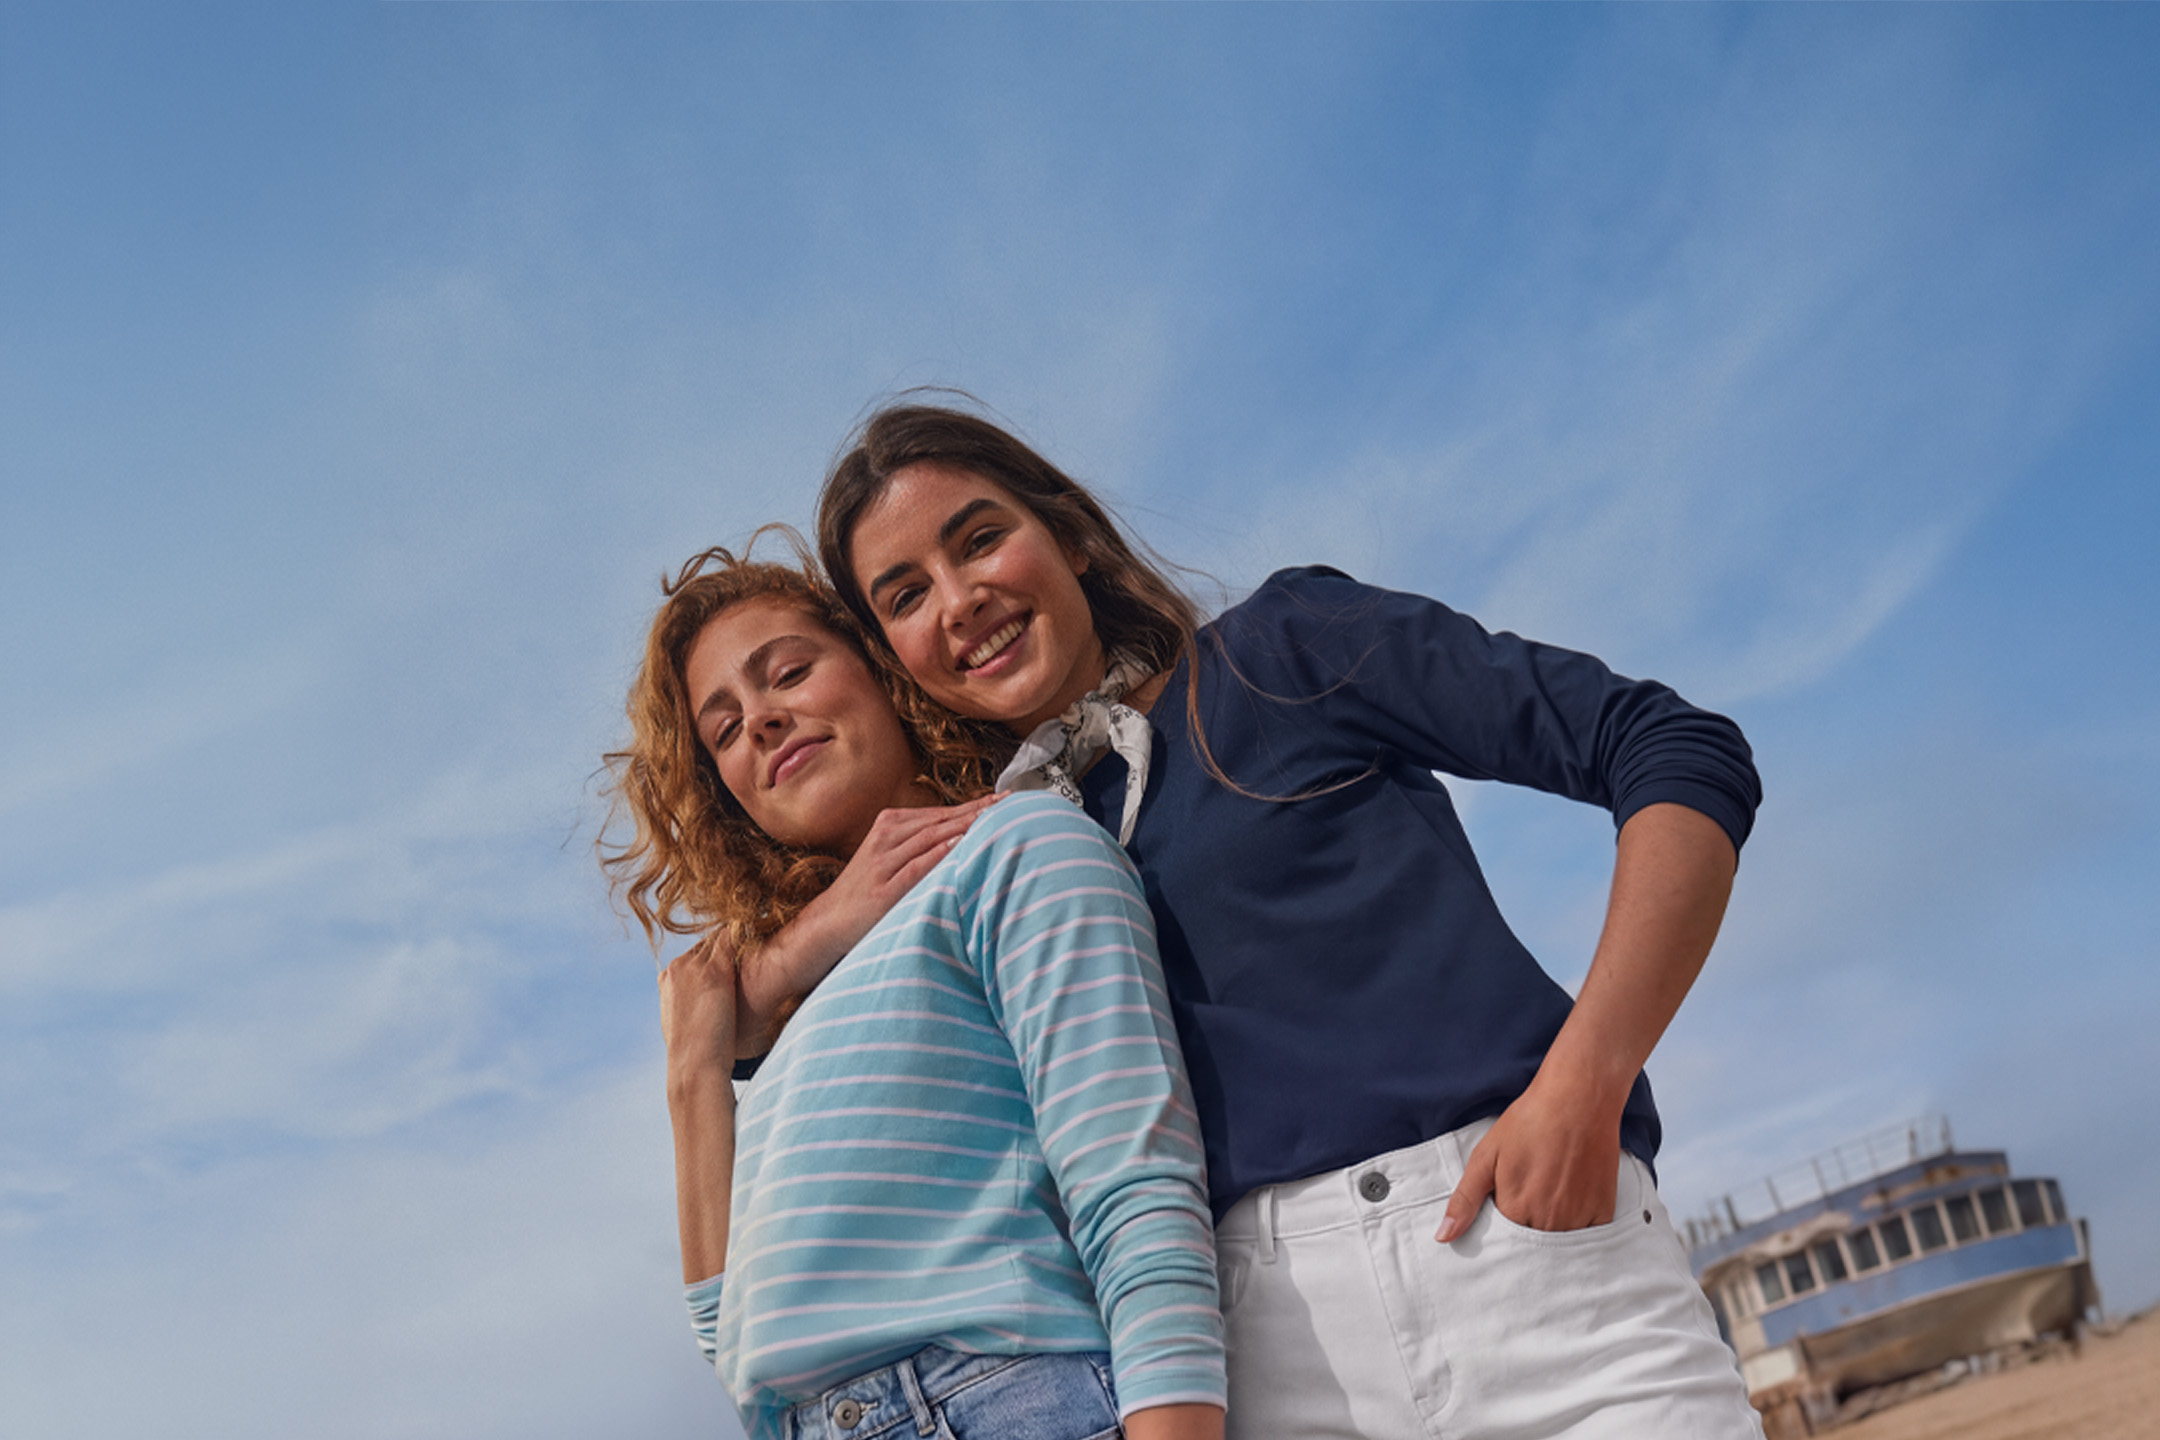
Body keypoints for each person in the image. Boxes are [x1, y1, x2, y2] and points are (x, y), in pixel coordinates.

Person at [760, 401, 1770, 1439]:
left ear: (1067, 533)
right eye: (906, 595)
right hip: (1258, 1366)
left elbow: (1670, 749)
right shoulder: (990, 875)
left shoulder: (1281, 652)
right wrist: (781, 961)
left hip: (1534, 1274)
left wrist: (1586, 1080)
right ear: (894, 653)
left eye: (980, 539)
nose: (960, 600)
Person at [600, 545, 1227, 1440]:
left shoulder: (1017, 848)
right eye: (725, 730)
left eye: (788, 673)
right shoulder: (801, 1020)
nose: (762, 723)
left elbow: (1137, 1190)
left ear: (882, 670)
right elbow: (726, 1337)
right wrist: (692, 1076)